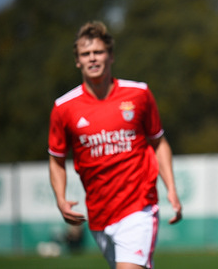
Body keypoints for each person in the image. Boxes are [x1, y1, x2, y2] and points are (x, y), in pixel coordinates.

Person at [48, 21, 182, 269]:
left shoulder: (139, 94)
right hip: (98, 215)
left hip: (139, 207)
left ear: (111, 56)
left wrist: (171, 188)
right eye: (85, 54)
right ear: (77, 60)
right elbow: (56, 158)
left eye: (98, 52)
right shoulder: (63, 107)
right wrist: (60, 198)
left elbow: (159, 142)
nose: (93, 58)